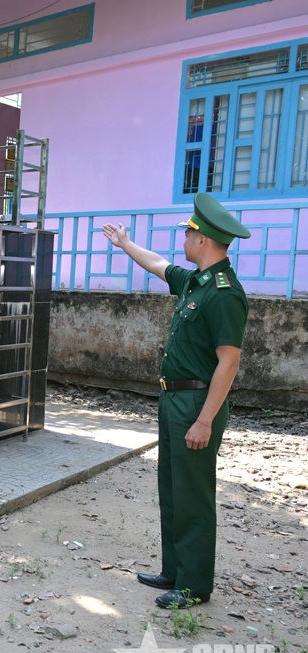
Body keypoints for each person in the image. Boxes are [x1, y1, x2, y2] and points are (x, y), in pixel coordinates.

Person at [102, 192, 249, 609]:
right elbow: (156, 264)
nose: (183, 239)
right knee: (172, 489)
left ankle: (195, 585)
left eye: (187, 234)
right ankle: (175, 571)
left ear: (202, 240)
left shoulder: (224, 293)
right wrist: (125, 243)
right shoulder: (195, 281)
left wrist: (205, 420)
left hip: (197, 404)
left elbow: (229, 362)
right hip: (173, 400)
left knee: (193, 495)